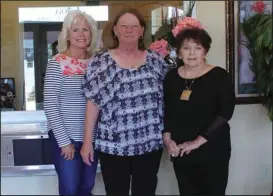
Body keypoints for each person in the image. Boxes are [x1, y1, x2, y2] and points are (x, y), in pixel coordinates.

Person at [81, 8, 169, 196]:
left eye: (134, 26)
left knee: (145, 192)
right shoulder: (100, 62)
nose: (129, 30)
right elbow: (93, 104)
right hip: (112, 145)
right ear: (115, 30)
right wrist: (87, 142)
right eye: (124, 26)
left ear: (141, 31)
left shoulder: (156, 61)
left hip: (148, 143)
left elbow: (168, 98)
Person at [163, 27, 235, 196]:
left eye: (198, 47)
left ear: (205, 51)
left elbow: (225, 113)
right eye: (186, 48)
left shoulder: (219, 76)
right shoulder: (171, 77)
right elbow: (166, 110)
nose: (192, 53)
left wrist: (197, 142)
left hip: (212, 149)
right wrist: (167, 139)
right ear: (179, 52)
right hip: (181, 149)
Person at [43, 10, 98, 196]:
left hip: (90, 138)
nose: (81, 35)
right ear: (67, 34)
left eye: (85, 30)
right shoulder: (57, 63)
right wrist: (64, 143)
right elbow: (50, 104)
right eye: (75, 30)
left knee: (87, 187)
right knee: (70, 189)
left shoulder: (96, 62)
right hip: (66, 138)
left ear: (91, 34)